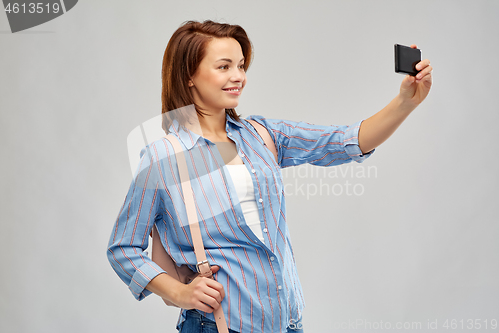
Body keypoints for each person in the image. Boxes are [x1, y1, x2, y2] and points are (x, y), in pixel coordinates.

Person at [107, 20, 433, 333]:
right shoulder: (164, 158)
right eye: (224, 67)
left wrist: (405, 102)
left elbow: (344, 140)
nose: (238, 76)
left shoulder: (262, 134)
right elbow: (123, 248)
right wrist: (180, 294)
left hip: (288, 323)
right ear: (189, 75)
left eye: (241, 65)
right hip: (218, 325)